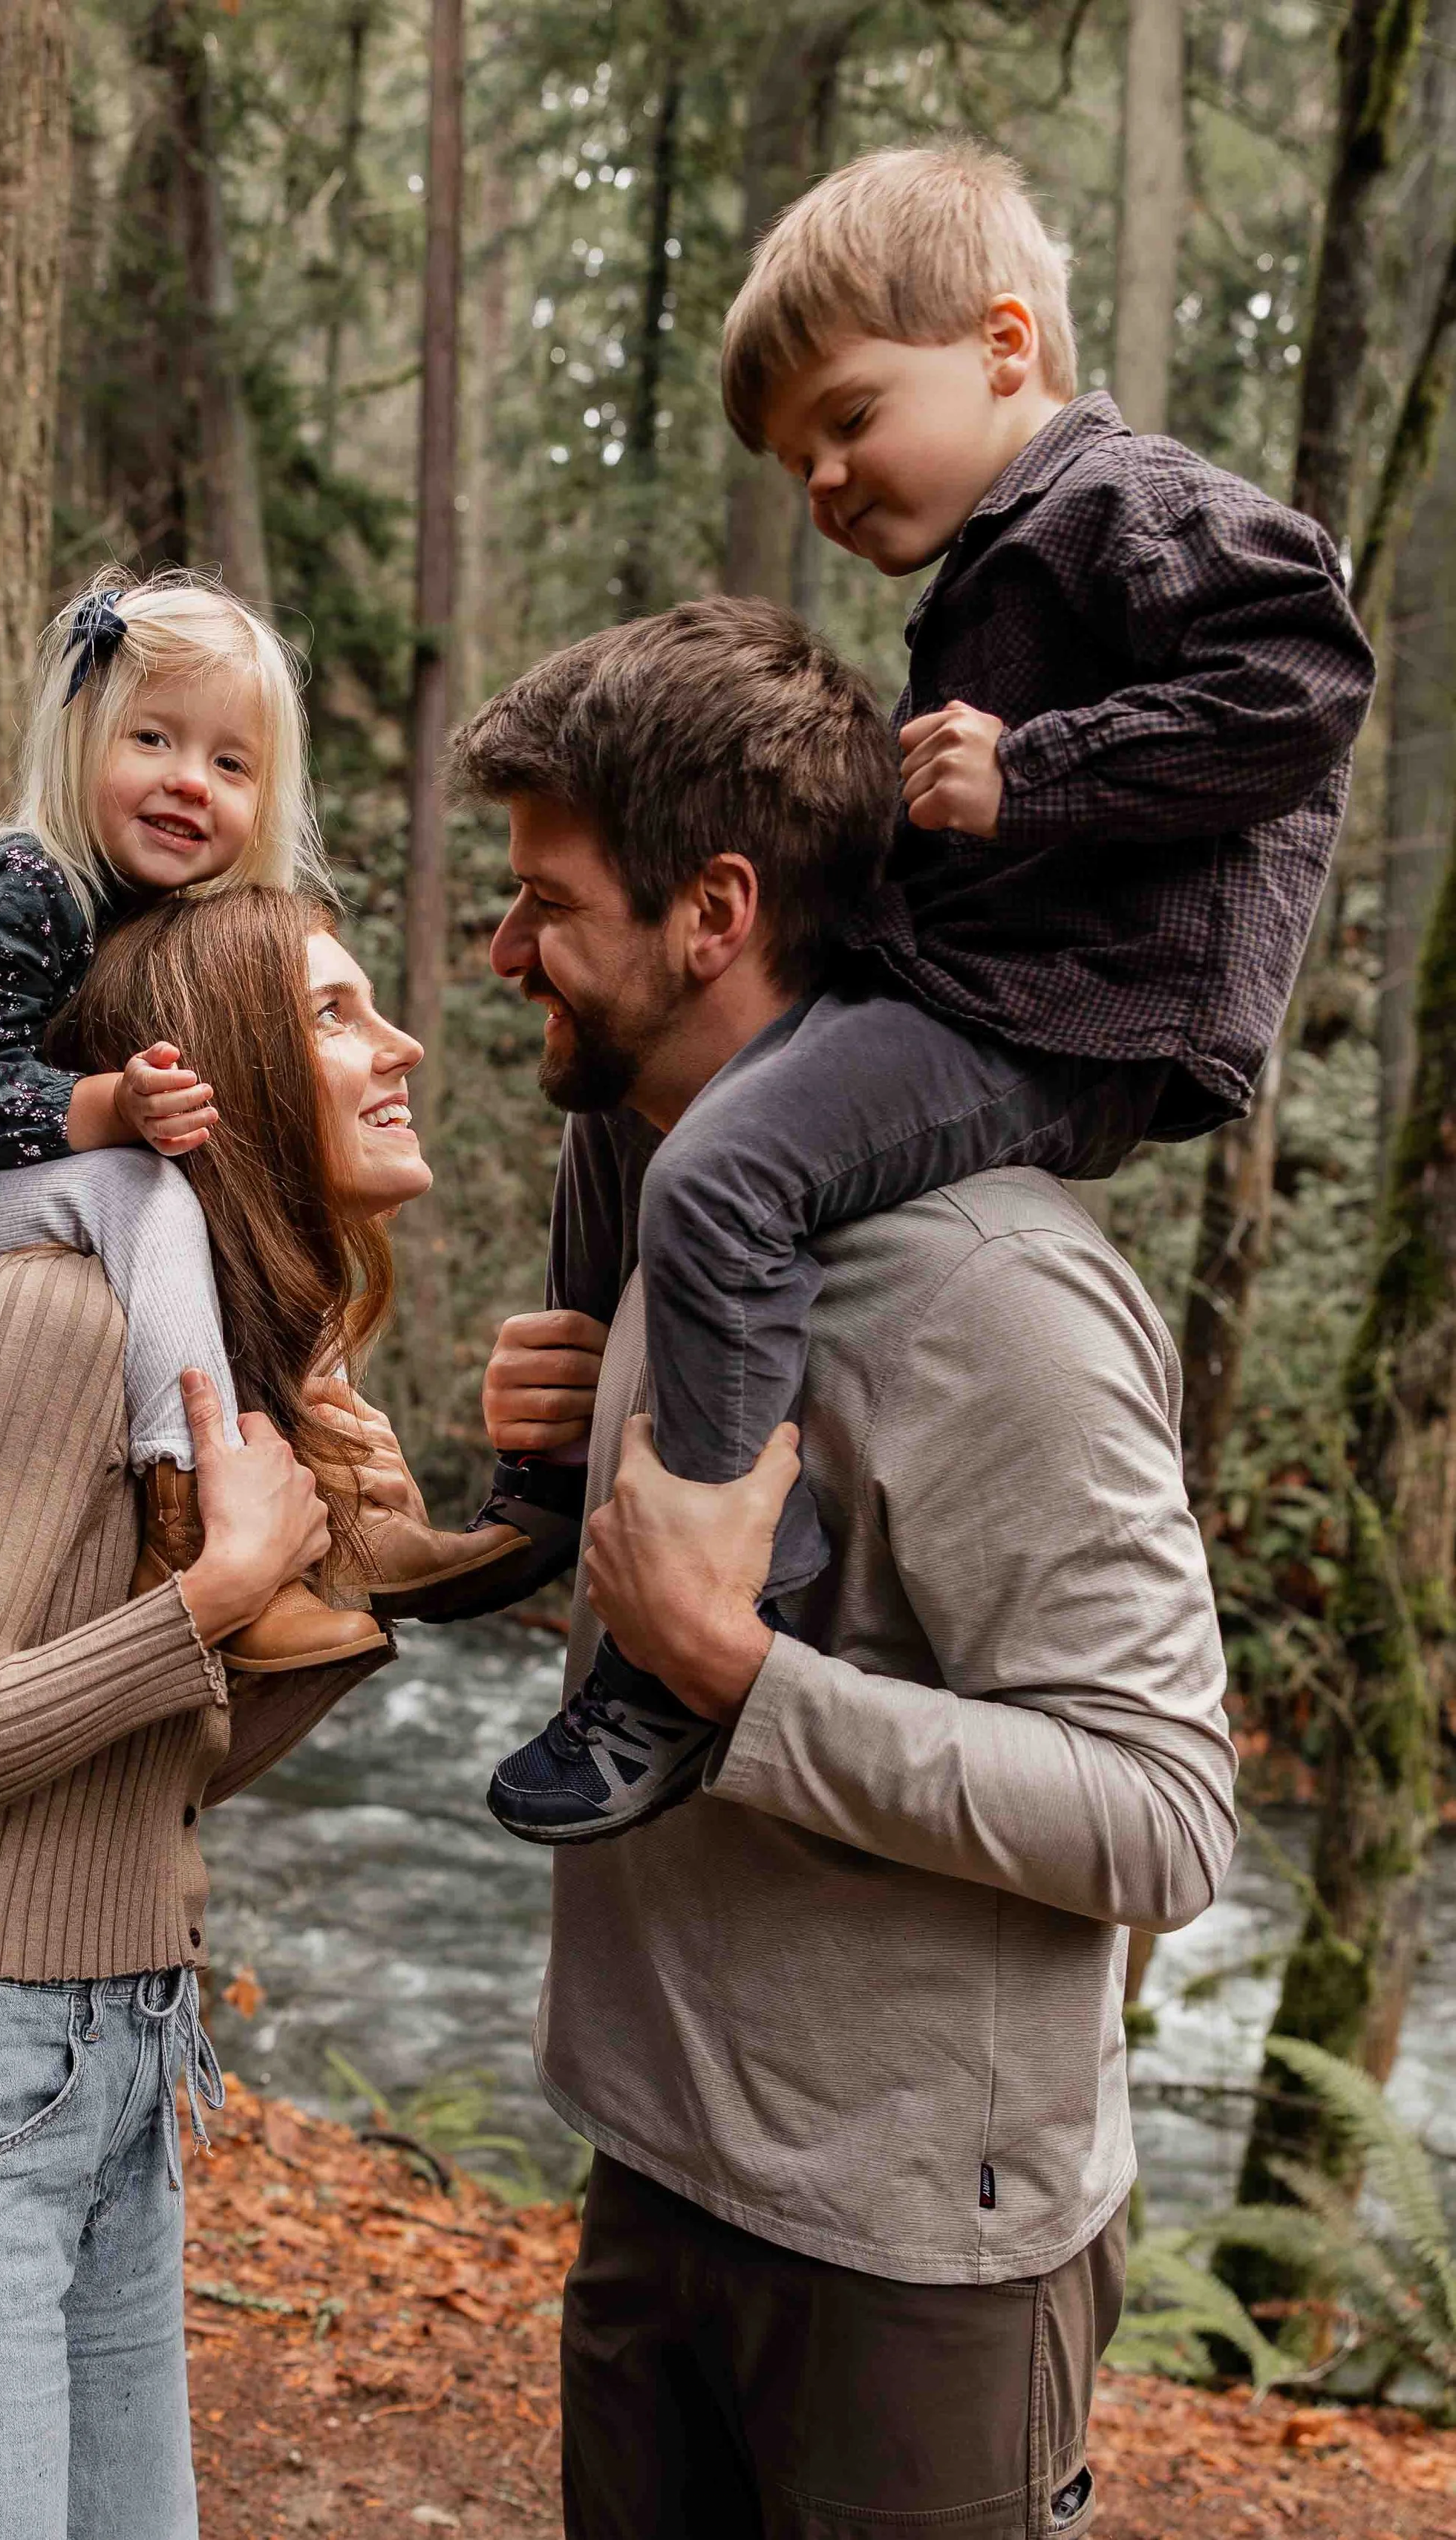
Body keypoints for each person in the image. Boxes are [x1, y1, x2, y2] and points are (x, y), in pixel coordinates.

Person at [466, 137, 1372, 1843]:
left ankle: (710, 1604)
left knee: (727, 1163)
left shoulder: (1129, 503)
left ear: (1003, 347)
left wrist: (1042, 770)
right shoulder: (997, 546)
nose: (818, 475)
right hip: (978, 968)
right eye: (793, 452)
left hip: (1083, 1013)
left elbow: (1306, 678)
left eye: (846, 416)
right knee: (634, 1088)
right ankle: (549, 1476)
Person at [465, 598, 1238, 2539]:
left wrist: (742, 1684)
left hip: (913, 2269)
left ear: (711, 912)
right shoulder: (666, 1192)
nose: (500, 951)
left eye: (546, 902)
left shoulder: (997, 1296)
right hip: (661, 2168)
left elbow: (1160, 1816)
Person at [0, 888, 437, 2539]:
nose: (398, 1048)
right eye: (336, 1015)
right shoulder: (50, 1316)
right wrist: (206, 1600)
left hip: (105, 2065)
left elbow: (141, 1781)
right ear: (237, 1070)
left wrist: (331, 1602)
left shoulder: (207, 1374)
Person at [0, 566, 522, 1676]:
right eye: (153, 741)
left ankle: (348, 1531)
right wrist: (110, 1103)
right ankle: (190, 1527)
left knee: (226, 1222)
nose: (192, 782)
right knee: (142, 1188)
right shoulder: (21, 889)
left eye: (230, 763)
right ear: (82, 740)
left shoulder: (153, 923)